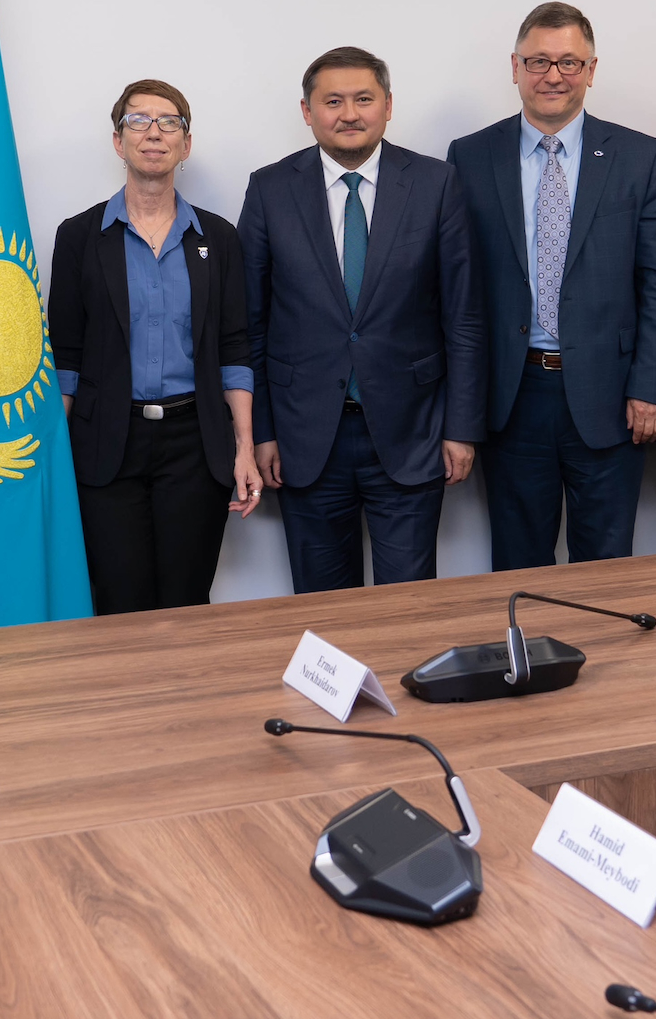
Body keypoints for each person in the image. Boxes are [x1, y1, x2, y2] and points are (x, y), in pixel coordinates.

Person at [447, 1, 656, 569]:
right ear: (515, 66)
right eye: (539, 61)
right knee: (519, 561)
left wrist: (651, 387)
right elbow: (458, 290)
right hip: (512, 394)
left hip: (611, 394)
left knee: (606, 563)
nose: (554, 75)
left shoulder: (639, 156)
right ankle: (528, 662)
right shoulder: (470, 156)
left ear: (592, 70)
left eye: (570, 63)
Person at [241, 46, 482, 590]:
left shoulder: (435, 183)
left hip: (412, 430)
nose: (348, 113)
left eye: (363, 99)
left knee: (409, 603)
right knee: (322, 609)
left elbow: (463, 317)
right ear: (307, 111)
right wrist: (262, 431)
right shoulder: (269, 189)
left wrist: (461, 428)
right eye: (332, 101)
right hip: (304, 437)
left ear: (388, 106)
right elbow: (249, 325)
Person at [49, 81, 262, 612]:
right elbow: (66, 356)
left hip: (195, 444)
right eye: (138, 121)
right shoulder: (78, 236)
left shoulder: (219, 238)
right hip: (106, 444)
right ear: (117, 141)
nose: (153, 133)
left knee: (187, 600)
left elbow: (235, 350)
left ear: (185, 146)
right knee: (120, 601)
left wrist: (244, 448)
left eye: (169, 123)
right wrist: (54, 455)